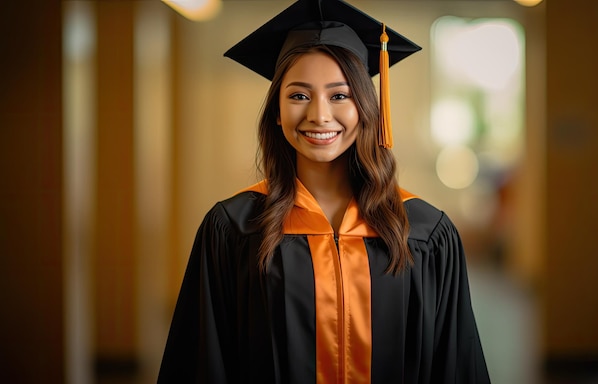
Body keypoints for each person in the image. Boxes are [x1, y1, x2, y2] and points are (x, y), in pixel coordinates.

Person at [158, 0, 490, 383]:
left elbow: (454, 364)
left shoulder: (424, 231)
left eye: (339, 95)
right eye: (299, 95)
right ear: (277, 111)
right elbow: (202, 363)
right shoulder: (233, 228)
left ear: (365, 107)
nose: (319, 115)